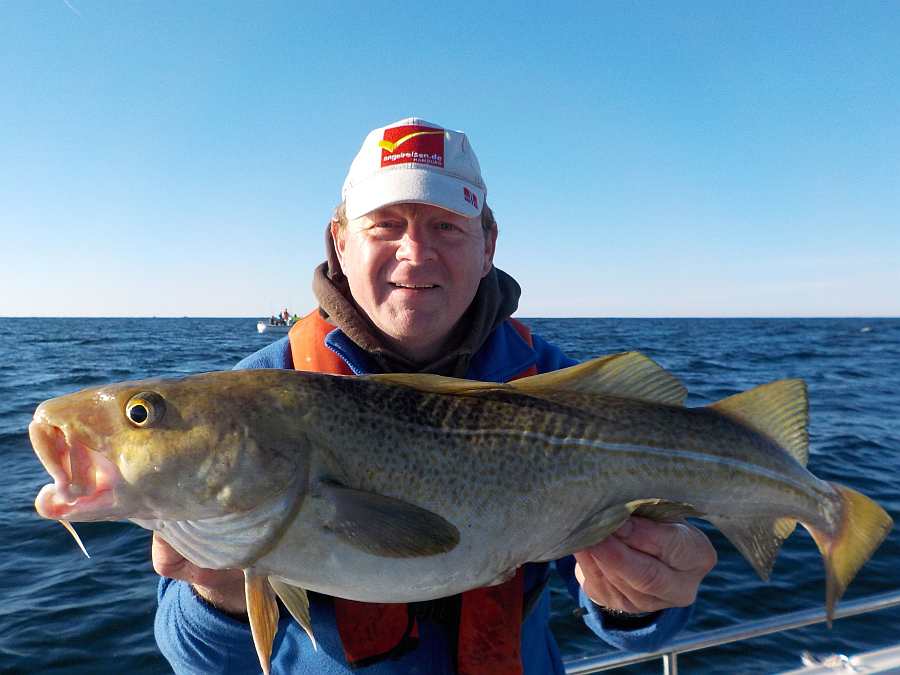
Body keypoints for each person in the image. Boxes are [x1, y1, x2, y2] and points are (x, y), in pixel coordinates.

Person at [153, 118, 717, 674]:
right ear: (340, 242)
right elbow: (198, 659)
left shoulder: (560, 387)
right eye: (385, 226)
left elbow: (644, 625)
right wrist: (217, 595)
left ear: (488, 243)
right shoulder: (247, 402)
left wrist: (640, 597)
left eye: (446, 226)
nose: (415, 254)